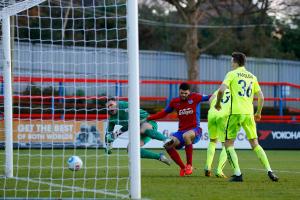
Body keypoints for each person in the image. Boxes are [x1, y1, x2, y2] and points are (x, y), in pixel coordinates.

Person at [215, 52, 279, 182]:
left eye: (232, 61)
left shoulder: (231, 74)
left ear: (236, 62)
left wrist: (217, 104)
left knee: (228, 143)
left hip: (235, 113)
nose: (230, 63)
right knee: (255, 143)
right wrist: (258, 112)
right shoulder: (252, 76)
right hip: (249, 113)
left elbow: (221, 90)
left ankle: (237, 174)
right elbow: (261, 96)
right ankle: (269, 170)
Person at [147, 83, 210, 176]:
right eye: (182, 93)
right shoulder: (174, 101)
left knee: (187, 135)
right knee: (167, 144)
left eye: (186, 93)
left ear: (189, 92)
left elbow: (209, 97)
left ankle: (189, 165)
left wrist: (220, 94)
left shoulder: (195, 97)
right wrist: (149, 118)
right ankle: (183, 167)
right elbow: (164, 113)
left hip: (195, 130)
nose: (184, 95)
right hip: (181, 132)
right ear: (179, 91)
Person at [105, 98, 171, 166]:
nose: (110, 107)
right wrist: (108, 146)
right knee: (131, 149)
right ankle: (159, 157)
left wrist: (116, 134)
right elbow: (108, 134)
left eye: (111, 105)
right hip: (138, 129)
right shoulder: (112, 119)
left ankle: (166, 139)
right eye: (108, 107)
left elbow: (127, 126)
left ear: (116, 104)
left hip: (147, 121)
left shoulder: (123, 105)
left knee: (143, 128)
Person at [204, 89, 230, 178]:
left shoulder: (219, 90)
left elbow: (211, 100)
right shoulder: (235, 92)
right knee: (226, 145)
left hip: (212, 113)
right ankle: (219, 170)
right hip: (223, 116)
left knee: (212, 141)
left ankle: (207, 167)